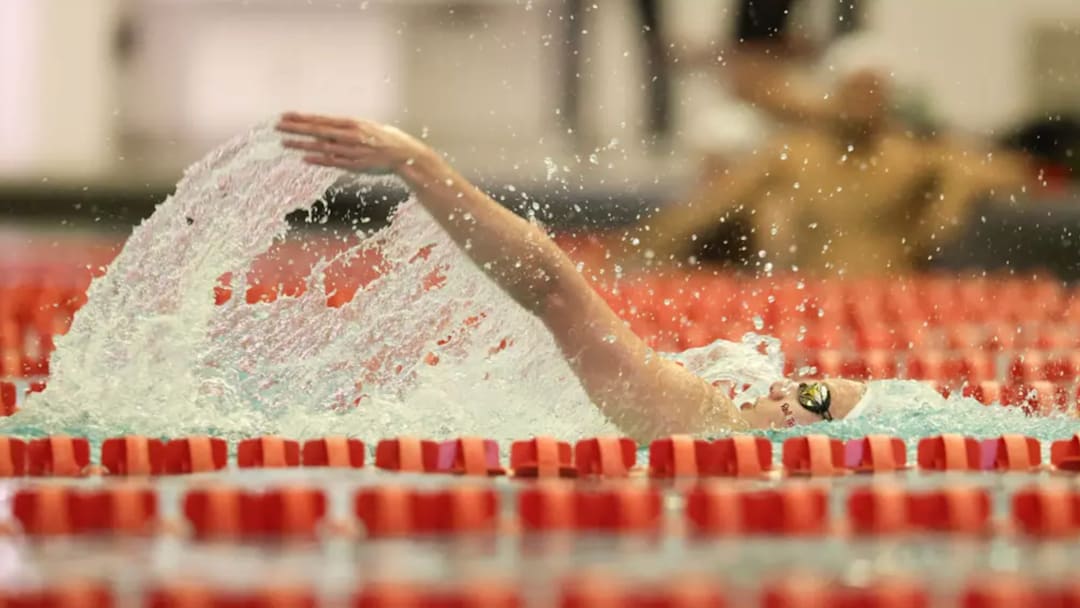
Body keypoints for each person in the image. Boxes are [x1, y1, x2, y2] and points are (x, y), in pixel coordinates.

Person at [275, 113, 868, 442]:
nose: (777, 387)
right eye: (803, 381)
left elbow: (550, 283)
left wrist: (418, 163)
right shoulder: (703, 421)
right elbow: (550, 285)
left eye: (809, 396)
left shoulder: (695, 425)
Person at [621, 68, 1032, 276]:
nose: (863, 103)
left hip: (892, 299)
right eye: (856, 92)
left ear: (888, 102)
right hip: (818, 295)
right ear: (835, 97)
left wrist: (953, 192)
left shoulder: (915, 158)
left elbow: (1016, 172)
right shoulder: (796, 155)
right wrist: (628, 253)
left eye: (873, 94)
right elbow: (708, 207)